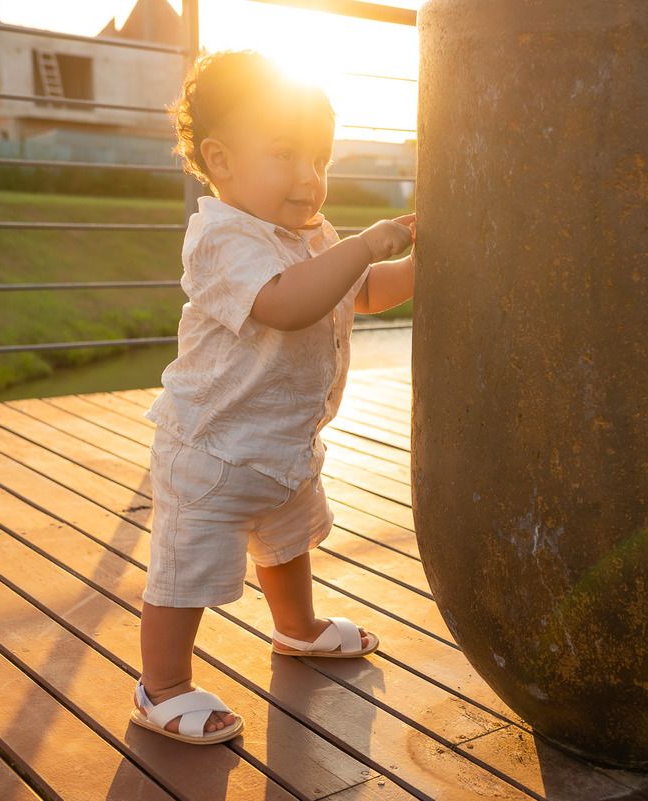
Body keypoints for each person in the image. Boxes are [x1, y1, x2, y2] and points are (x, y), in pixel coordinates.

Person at [132, 50, 414, 744]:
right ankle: (161, 684)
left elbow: (363, 291)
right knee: (187, 569)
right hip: (214, 450)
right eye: (285, 154)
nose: (310, 176)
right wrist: (364, 246)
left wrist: (418, 262)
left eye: (320, 157)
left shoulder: (313, 236)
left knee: (288, 544)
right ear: (220, 161)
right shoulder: (222, 238)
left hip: (283, 446)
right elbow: (286, 304)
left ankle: (299, 628)